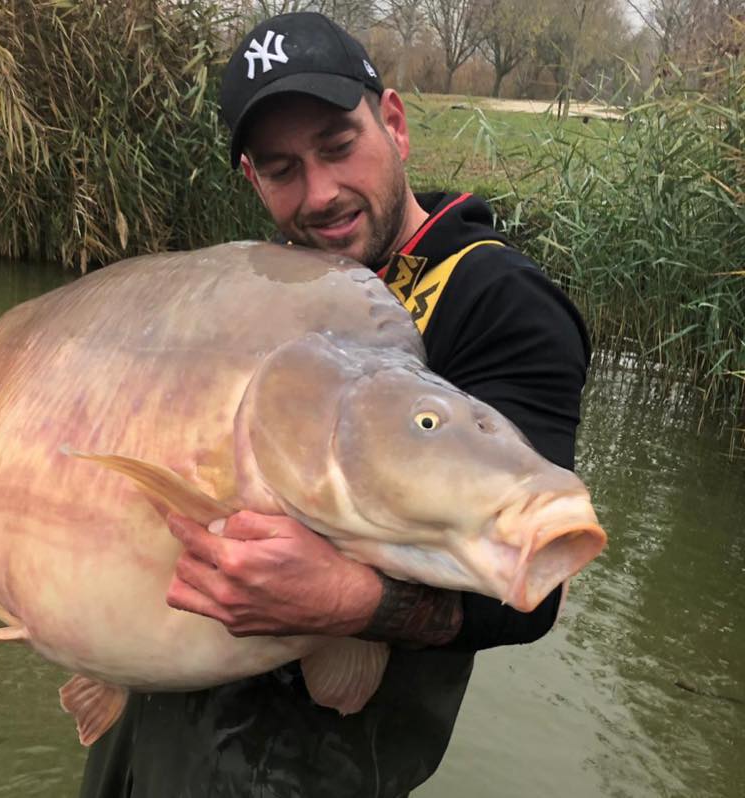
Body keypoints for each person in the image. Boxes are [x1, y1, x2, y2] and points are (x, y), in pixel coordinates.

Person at [80, 12, 590, 798]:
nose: (319, 193)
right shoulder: (260, 289)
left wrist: (352, 601)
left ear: (393, 123)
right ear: (253, 179)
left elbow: (534, 591)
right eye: (283, 168)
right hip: (157, 709)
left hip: (310, 765)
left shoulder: (499, 300)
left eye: (337, 146)